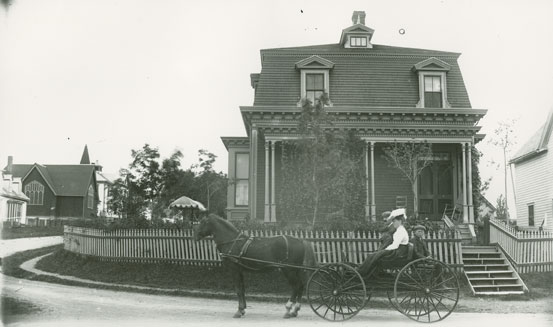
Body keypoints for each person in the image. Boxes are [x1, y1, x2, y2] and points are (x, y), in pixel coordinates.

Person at [357, 209, 410, 276]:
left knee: (373, 256)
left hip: (397, 252)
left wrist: (385, 250)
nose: (393, 223)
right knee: (374, 255)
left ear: (400, 221)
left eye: (394, 221)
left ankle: (361, 272)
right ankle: (365, 271)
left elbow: (395, 245)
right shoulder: (399, 230)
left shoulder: (401, 231)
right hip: (397, 250)